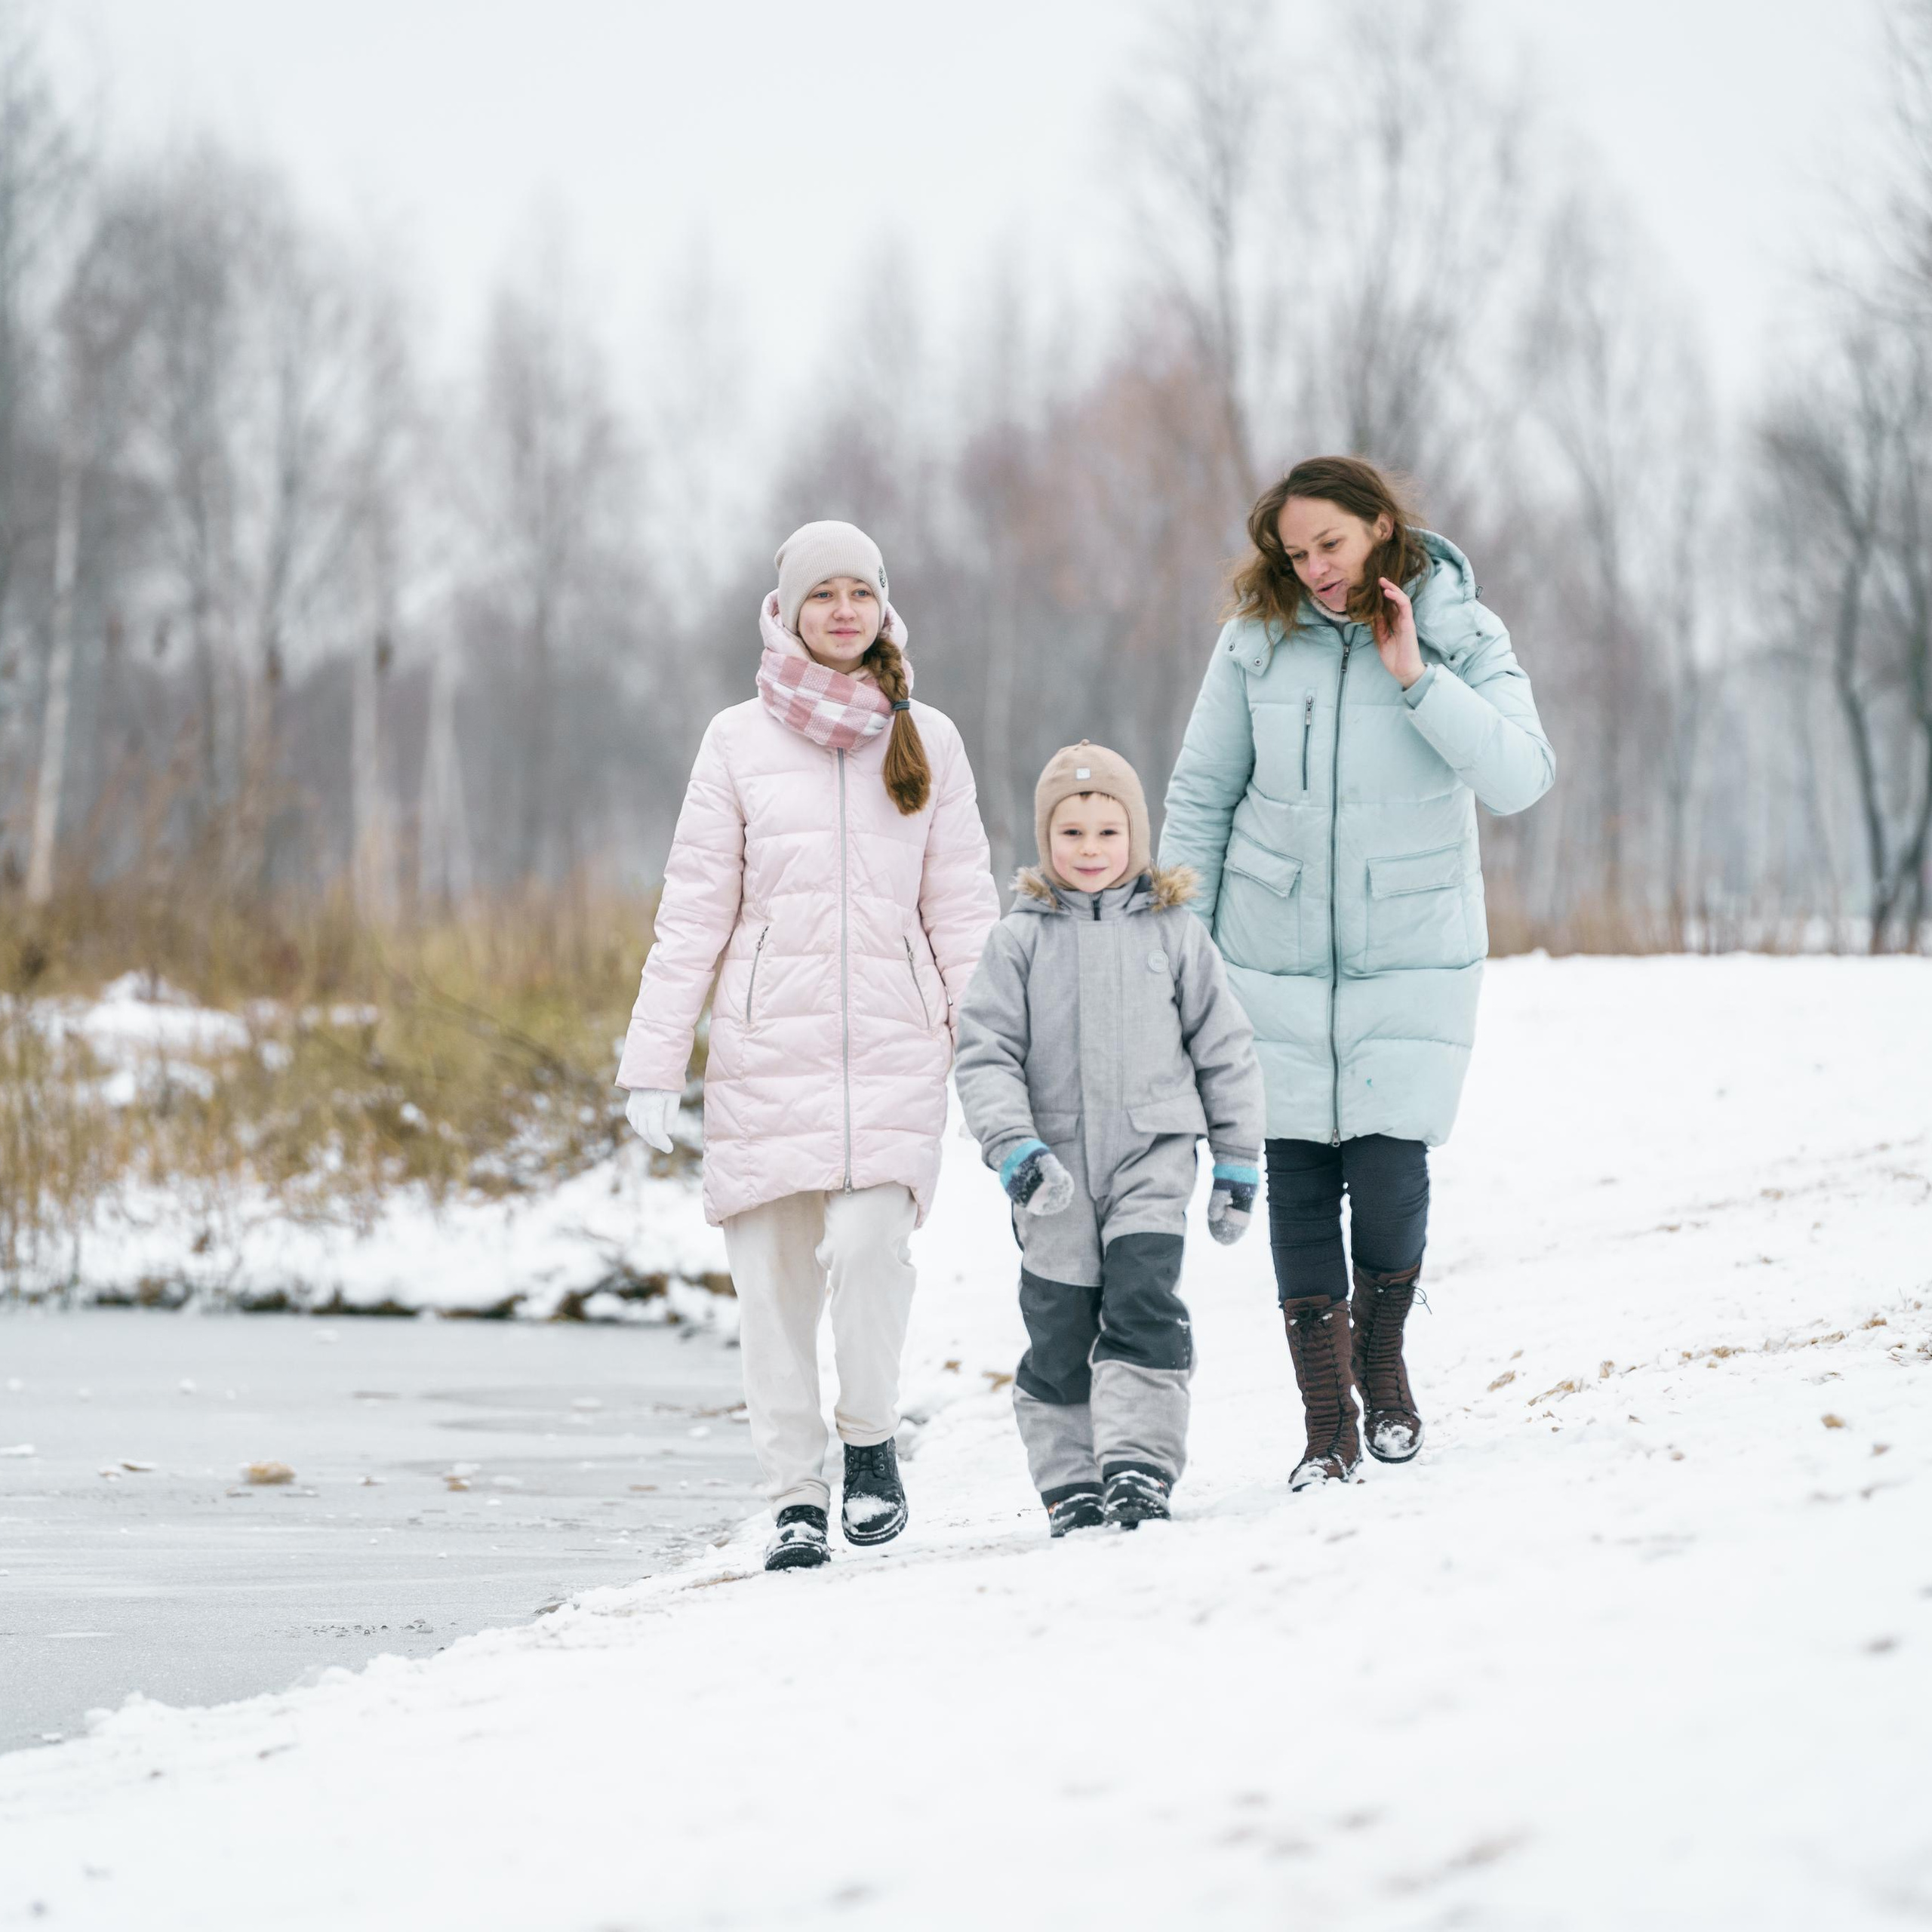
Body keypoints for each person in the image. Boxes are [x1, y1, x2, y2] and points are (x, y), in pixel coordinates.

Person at [1160, 457, 1554, 1490]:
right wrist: (1183, 952)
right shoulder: (1255, 642)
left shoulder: (1462, 627)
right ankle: (1327, 1422)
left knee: (1388, 1180)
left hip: (1409, 950)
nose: (1316, 568)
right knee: (1295, 1183)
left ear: (1380, 526)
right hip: (1267, 950)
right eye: (1296, 553)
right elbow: (1202, 796)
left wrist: (1416, 677)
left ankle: (1381, 1357)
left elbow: (1520, 777)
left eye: (1330, 543)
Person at [616, 521, 998, 1571]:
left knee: (874, 1246)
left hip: (893, 1045)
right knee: (772, 1286)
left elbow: (964, 911)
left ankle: (869, 1442)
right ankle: (794, 1495)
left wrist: (996, 1051)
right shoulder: (735, 741)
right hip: (762, 1050)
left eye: (859, 594)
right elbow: (692, 911)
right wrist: (655, 1059)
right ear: (784, 610)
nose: (842, 611)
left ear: (883, 607)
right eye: (820, 594)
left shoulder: (933, 738)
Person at [955, 742, 1263, 1534]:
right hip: (1050, 1171)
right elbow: (985, 1054)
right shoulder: (1018, 941)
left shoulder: (1174, 931)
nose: (1089, 851)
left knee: (1142, 1303)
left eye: (1106, 832)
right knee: (1059, 1329)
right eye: (1071, 834)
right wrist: (1014, 1147)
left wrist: (1235, 1160)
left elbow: (1223, 1050)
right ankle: (1070, 1482)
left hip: (1151, 1156)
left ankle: (1137, 1465)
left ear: (1136, 836)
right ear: (1043, 840)